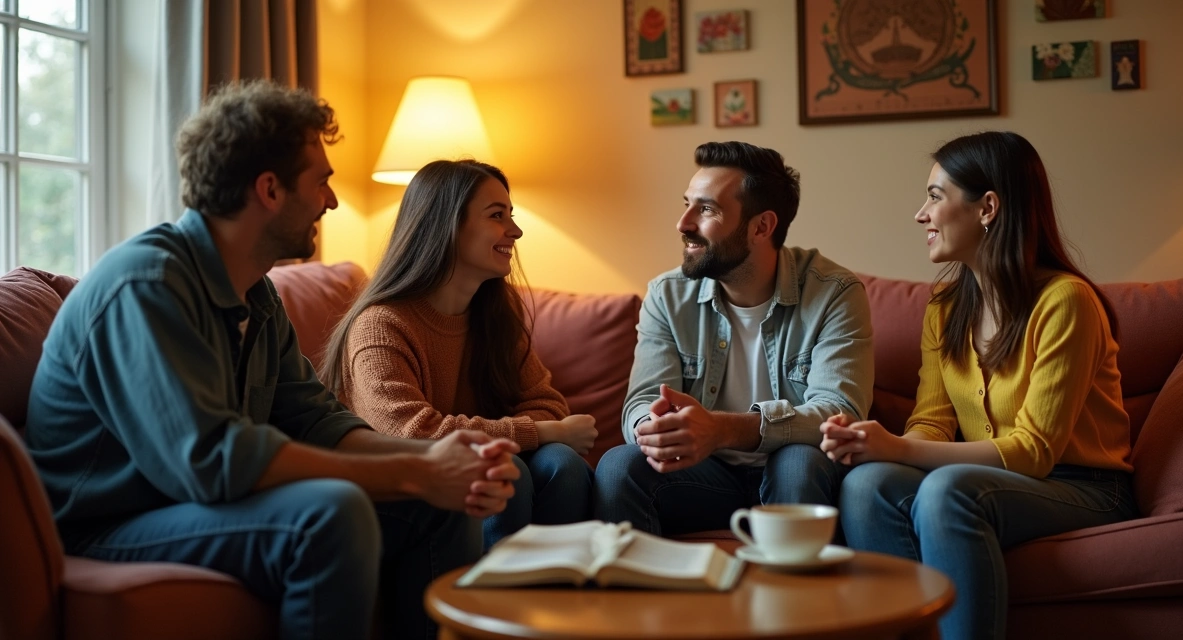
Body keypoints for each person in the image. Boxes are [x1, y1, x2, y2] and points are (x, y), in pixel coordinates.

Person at [23, 80, 520, 640]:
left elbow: (317, 422)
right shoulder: (147, 284)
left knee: (440, 505)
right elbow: (213, 461)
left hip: (195, 504)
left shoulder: (256, 293)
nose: (331, 201)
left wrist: (435, 457)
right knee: (331, 512)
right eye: (322, 181)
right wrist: (416, 470)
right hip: (104, 525)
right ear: (269, 190)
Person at [822, 131, 1138, 640]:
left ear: (988, 206)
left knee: (948, 491)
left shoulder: (1066, 301)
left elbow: (1035, 451)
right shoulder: (946, 307)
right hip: (995, 481)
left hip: (1084, 487)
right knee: (866, 485)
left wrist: (898, 446)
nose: (920, 215)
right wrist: (877, 447)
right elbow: (931, 422)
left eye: (934, 196)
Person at [594, 141, 874, 536]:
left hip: (794, 473)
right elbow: (641, 402)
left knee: (798, 461)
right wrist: (653, 429)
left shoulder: (833, 292)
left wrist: (723, 429)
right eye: (687, 203)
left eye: (706, 209)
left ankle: (793, 596)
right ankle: (637, 590)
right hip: (702, 478)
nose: (683, 222)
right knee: (619, 464)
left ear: (762, 226)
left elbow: (839, 412)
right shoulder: (668, 295)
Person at [318, 159, 596, 549]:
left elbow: (545, 402)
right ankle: (489, 602)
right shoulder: (380, 324)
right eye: (497, 216)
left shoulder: (494, 315)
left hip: (473, 466)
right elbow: (412, 432)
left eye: (510, 215)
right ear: (446, 225)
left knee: (563, 464)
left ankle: (562, 600)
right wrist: (538, 432)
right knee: (504, 466)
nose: (515, 231)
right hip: (402, 495)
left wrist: (536, 432)